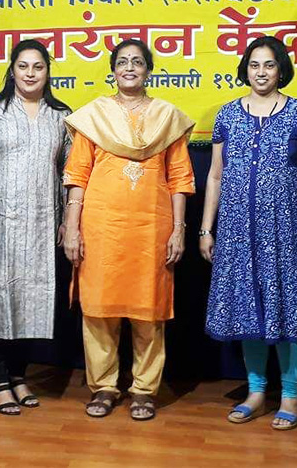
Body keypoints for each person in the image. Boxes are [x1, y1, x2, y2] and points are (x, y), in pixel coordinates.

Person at [62, 39, 195, 421]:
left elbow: (180, 178)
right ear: (113, 70)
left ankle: (144, 390)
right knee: (99, 311)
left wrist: (179, 229)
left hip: (151, 229)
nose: (130, 68)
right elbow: (77, 175)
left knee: (148, 311)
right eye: (123, 62)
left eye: (138, 62)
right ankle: (103, 386)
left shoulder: (167, 118)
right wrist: (72, 228)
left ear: (148, 70)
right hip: (101, 227)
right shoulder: (94, 117)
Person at [200, 36, 297, 430]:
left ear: (281, 68)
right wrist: (206, 228)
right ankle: (255, 392)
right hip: (237, 231)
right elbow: (215, 175)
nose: (261, 72)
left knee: (286, 309)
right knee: (247, 308)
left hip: (287, 230)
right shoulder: (227, 115)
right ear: (245, 69)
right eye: (254, 64)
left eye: (269, 64)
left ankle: (291, 395)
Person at [0, 39, 71, 415]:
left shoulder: (61, 115)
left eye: (38, 66)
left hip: (40, 226)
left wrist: (68, 219)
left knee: (29, 302)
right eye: (23, 66)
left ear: (47, 71)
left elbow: (71, 173)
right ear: (12, 70)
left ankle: (19, 377)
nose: (30, 74)